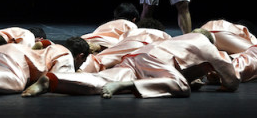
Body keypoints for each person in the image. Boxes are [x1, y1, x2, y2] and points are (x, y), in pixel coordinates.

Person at [22, 29, 238, 99]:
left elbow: (185, 64)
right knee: (181, 86)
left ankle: (53, 81)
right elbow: (232, 80)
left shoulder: (178, 40)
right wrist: (223, 80)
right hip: (155, 61)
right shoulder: (205, 44)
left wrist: (201, 73)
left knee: (100, 80)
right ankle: (129, 87)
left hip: (137, 57)